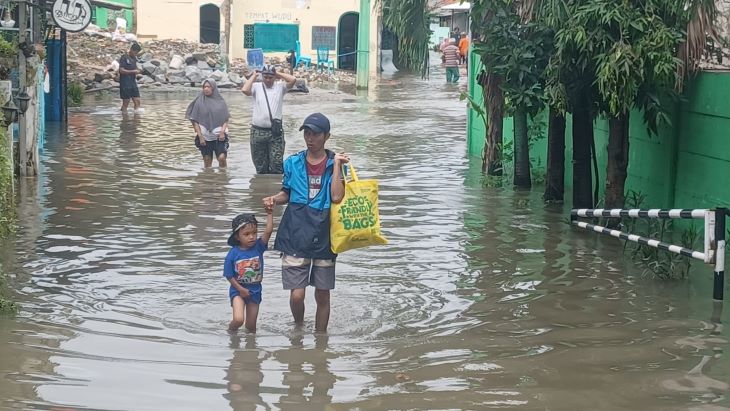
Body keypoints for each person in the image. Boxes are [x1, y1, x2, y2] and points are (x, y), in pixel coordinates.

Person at [262, 113, 349, 332]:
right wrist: (274, 199)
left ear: (326, 136)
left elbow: (337, 197)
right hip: (296, 230)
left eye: (316, 134)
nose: (310, 138)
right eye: (307, 134)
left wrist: (337, 166)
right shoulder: (292, 163)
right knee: (297, 294)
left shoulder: (336, 163)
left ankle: (321, 340)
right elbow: (287, 194)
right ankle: (299, 327)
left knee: (322, 293)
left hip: (324, 233)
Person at [223, 211, 274, 333]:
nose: (251, 237)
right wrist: (240, 289)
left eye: (254, 233)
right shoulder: (233, 254)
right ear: (237, 236)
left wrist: (270, 213)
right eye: (246, 234)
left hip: (255, 291)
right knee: (239, 319)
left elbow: (268, 231)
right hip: (238, 290)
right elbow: (229, 276)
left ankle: (251, 348)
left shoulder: (258, 247)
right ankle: (231, 332)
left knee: (251, 327)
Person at [241, 64, 297, 174]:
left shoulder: (280, 87)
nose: (268, 80)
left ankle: (277, 187)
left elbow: (293, 79)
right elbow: (245, 90)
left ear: (274, 77)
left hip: (275, 132)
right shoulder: (256, 87)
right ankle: (262, 189)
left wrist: (277, 73)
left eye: (270, 77)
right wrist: (254, 76)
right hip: (257, 131)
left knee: (277, 164)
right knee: (260, 166)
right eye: (265, 77)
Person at [186, 79, 231, 168]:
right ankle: (207, 179)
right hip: (204, 136)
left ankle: (223, 177)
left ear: (213, 88)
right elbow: (195, 120)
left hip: (219, 136)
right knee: (207, 160)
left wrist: (222, 132)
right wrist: (200, 137)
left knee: (222, 158)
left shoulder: (221, 102)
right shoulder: (199, 102)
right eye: (204, 87)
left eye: (208, 87)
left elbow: (225, 118)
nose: (206, 89)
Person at [118, 42, 142, 112]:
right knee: (126, 102)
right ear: (131, 50)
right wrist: (133, 71)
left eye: (137, 53)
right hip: (125, 82)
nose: (136, 54)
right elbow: (121, 70)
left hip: (132, 82)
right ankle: (124, 118)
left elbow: (135, 67)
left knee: (137, 100)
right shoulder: (124, 57)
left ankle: (136, 118)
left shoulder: (134, 58)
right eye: (135, 52)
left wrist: (138, 71)